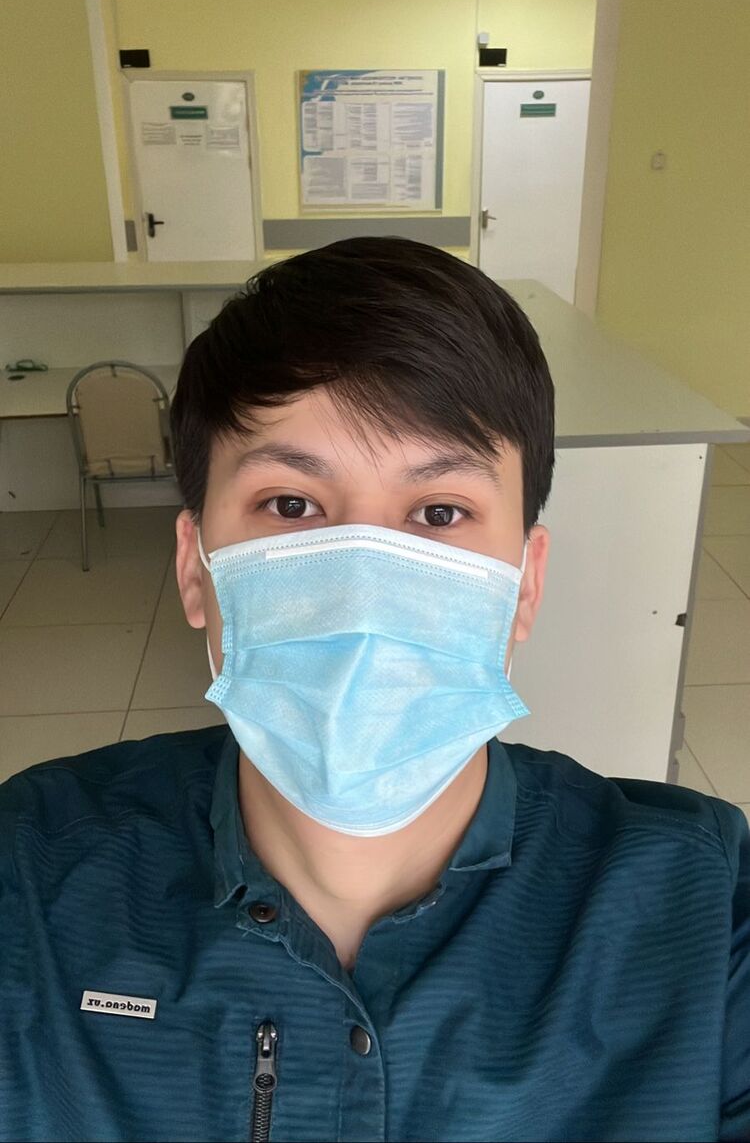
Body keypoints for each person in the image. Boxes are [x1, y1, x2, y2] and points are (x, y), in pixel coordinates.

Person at [0, 238, 747, 1143]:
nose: (361, 589)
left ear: (525, 585)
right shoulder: (32, 876)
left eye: (439, 512)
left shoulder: (704, 908)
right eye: (291, 504)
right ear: (195, 568)